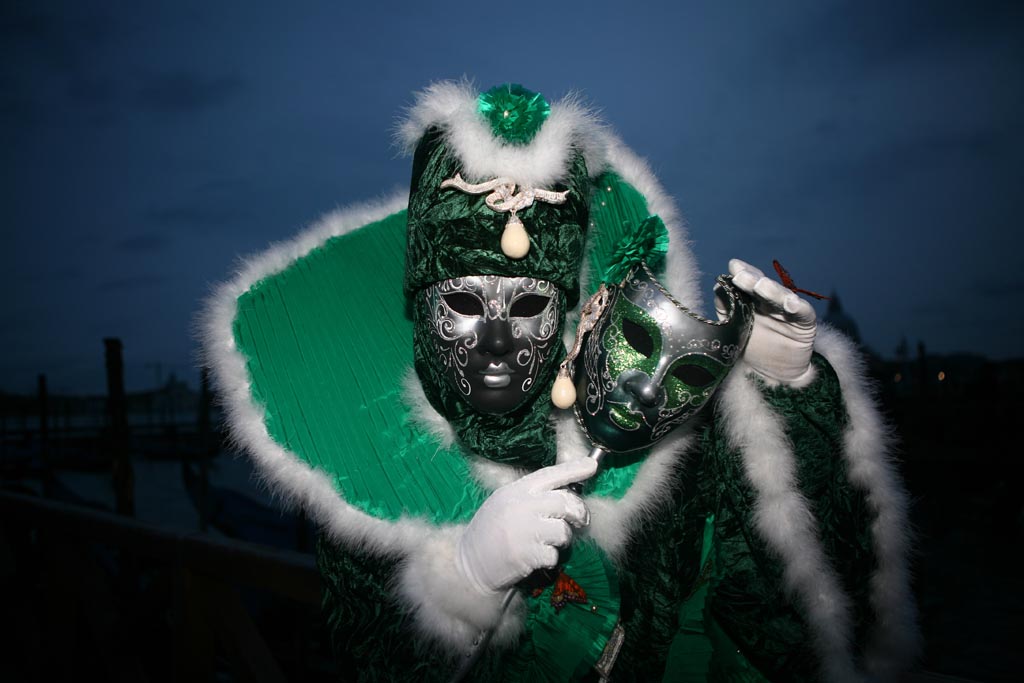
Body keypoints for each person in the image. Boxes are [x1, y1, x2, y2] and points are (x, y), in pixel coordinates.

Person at [201, 81, 918, 681]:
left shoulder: (643, 419)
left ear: (570, 308)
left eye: (530, 304)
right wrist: (465, 580)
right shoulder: (377, 462)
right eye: (461, 303)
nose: (497, 342)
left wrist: (788, 394)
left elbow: (789, 611)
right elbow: (370, 657)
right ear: (422, 306)